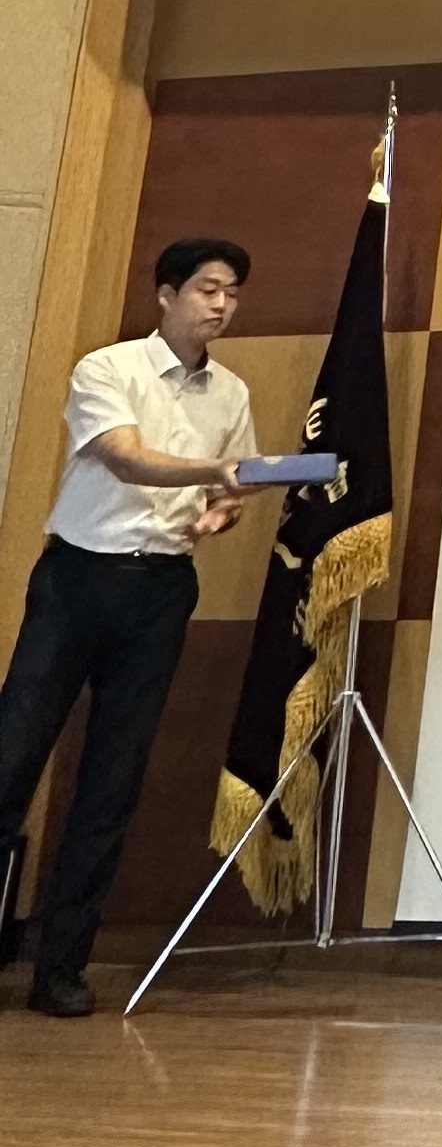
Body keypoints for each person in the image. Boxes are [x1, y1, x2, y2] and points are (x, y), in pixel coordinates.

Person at [0, 240, 257, 1017]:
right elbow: (123, 456)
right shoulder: (107, 368)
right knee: (12, 758)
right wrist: (211, 475)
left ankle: (62, 968)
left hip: (161, 590)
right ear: (166, 295)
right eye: (207, 288)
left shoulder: (231, 392)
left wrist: (220, 513)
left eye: (232, 292)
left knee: (114, 778)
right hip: (77, 579)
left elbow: (234, 488)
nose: (220, 304)